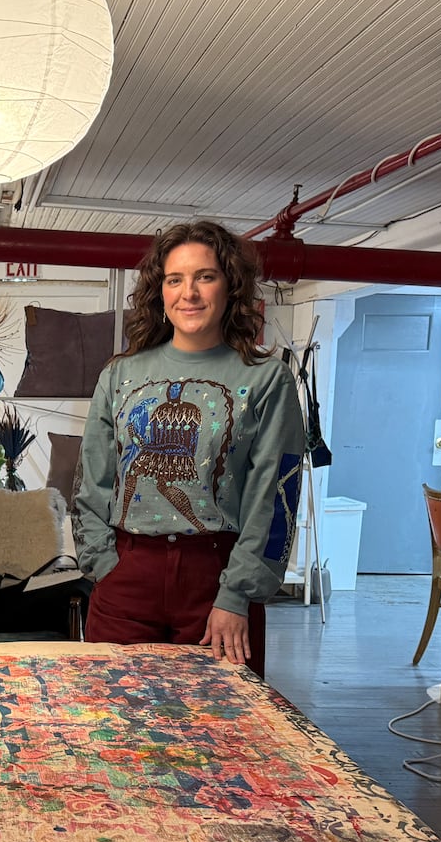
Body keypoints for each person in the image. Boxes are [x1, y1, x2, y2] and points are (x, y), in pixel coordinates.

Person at [72, 220, 304, 678]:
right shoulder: (119, 376)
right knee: (112, 722)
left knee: (220, 730)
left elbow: (274, 495)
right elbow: (90, 481)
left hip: (217, 580)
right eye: (175, 280)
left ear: (230, 287)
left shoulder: (265, 379)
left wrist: (237, 592)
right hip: (126, 573)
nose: (189, 293)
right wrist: (102, 565)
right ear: (160, 293)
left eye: (205, 276)